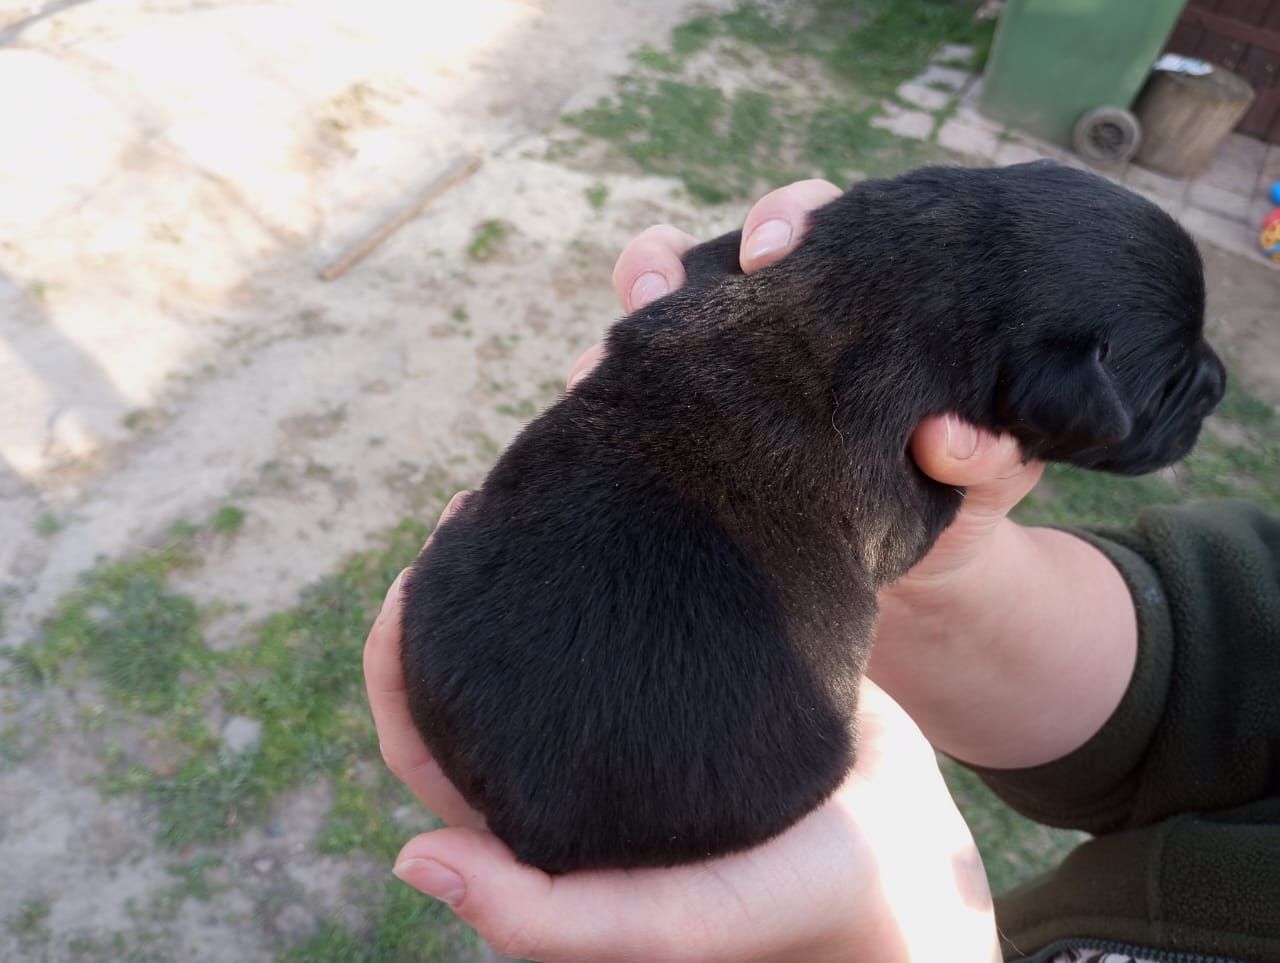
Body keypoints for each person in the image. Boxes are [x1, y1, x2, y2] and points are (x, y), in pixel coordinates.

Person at [364, 180, 1280, 963]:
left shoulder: (744, 272)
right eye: (1156, 391)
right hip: (682, 784)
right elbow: (1221, 656)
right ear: (1056, 396)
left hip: (462, 638)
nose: (1199, 383)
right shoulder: (919, 481)